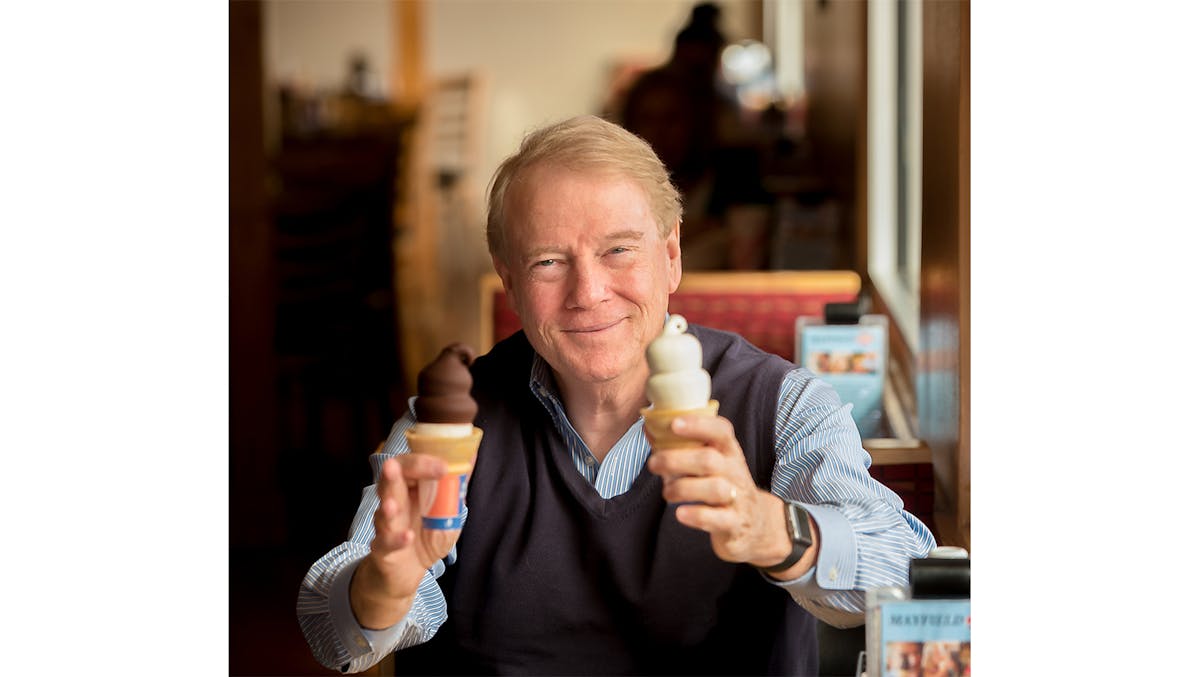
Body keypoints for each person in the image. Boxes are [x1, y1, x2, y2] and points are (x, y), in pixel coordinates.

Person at [297, 115, 935, 675]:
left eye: (619, 250)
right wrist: (388, 580)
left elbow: (908, 579)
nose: (588, 292)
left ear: (672, 253)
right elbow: (336, 635)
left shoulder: (782, 405)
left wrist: (769, 529)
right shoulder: (450, 422)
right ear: (508, 277)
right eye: (549, 261)